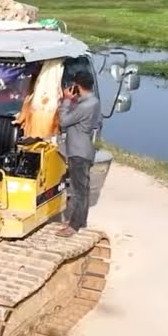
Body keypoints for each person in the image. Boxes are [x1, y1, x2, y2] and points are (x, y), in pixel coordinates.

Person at [55, 69, 101, 238]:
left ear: (77, 85)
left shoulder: (85, 105)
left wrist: (66, 101)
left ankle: (73, 226)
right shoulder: (93, 101)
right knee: (83, 188)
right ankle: (80, 220)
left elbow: (63, 122)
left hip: (78, 152)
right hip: (85, 149)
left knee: (78, 190)